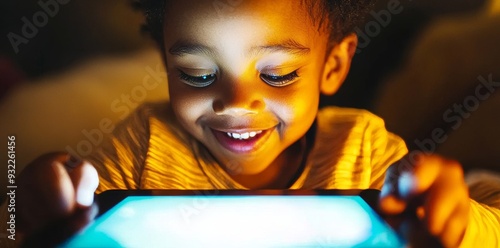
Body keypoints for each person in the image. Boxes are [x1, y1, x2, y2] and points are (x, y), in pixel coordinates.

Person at [5, 0, 499, 247]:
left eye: (278, 75)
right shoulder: (145, 143)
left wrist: (455, 223)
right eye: (198, 75)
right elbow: (63, 223)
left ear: (333, 66)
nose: (236, 103)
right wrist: (34, 208)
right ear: (165, 63)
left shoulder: (361, 149)